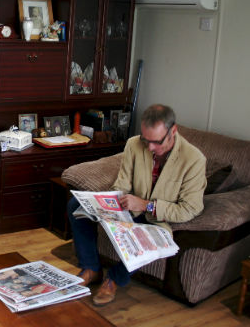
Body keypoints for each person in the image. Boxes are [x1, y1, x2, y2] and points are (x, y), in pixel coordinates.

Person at [67, 104, 206, 306]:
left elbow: (189, 209)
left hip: (158, 219)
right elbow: (122, 183)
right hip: (129, 209)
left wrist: (147, 205)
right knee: (74, 205)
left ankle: (113, 279)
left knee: (144, 236)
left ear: (173, 131)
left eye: (156, 142)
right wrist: (111, 203)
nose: (150, 148)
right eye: (145, 140)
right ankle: (91, 268)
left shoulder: (194, 160)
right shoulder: (133, 144)